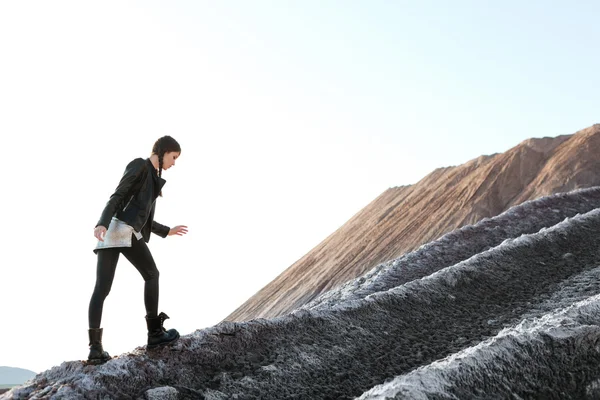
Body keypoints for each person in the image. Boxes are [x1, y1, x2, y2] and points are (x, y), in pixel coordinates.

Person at [87, 135, 188, 365]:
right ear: (162, 152)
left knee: (101, 288)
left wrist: (167, 230)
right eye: (173, 157)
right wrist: (101, 222)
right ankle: (155, 334)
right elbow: (118, 195)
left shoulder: (153, 178)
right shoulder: (139, 166)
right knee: (152, 275)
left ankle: (95, 349)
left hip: (115, 231)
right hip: (121, 230)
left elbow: (144, 218)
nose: (174, 163)